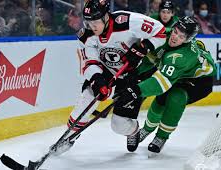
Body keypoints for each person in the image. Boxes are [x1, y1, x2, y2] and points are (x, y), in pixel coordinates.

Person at [51, 0, 166, 155]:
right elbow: (89, 62)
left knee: (118, 125)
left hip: (133, 73)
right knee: (88, 96)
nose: (92, 27)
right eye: (89, 23)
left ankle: (133, 131)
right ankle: (69, 137)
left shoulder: (127, 22)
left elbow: (160, 32)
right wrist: (96, 79)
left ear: (106, 16)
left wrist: (143, 47)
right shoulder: (86, 36)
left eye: (96, 22)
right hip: (106, 70)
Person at [114, 16, 216, 155]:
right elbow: (152, 60)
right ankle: (147, 129)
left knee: (176, 98)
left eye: (181, 36)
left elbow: (161, 82)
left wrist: (135, 91)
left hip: (199, 80)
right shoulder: (163, 35)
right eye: (175, 31)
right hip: (179, 74)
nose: (175, 37)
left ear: (187, 40)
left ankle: (161, 136)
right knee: (160, 101)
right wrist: (135, 73)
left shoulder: (183, 55)